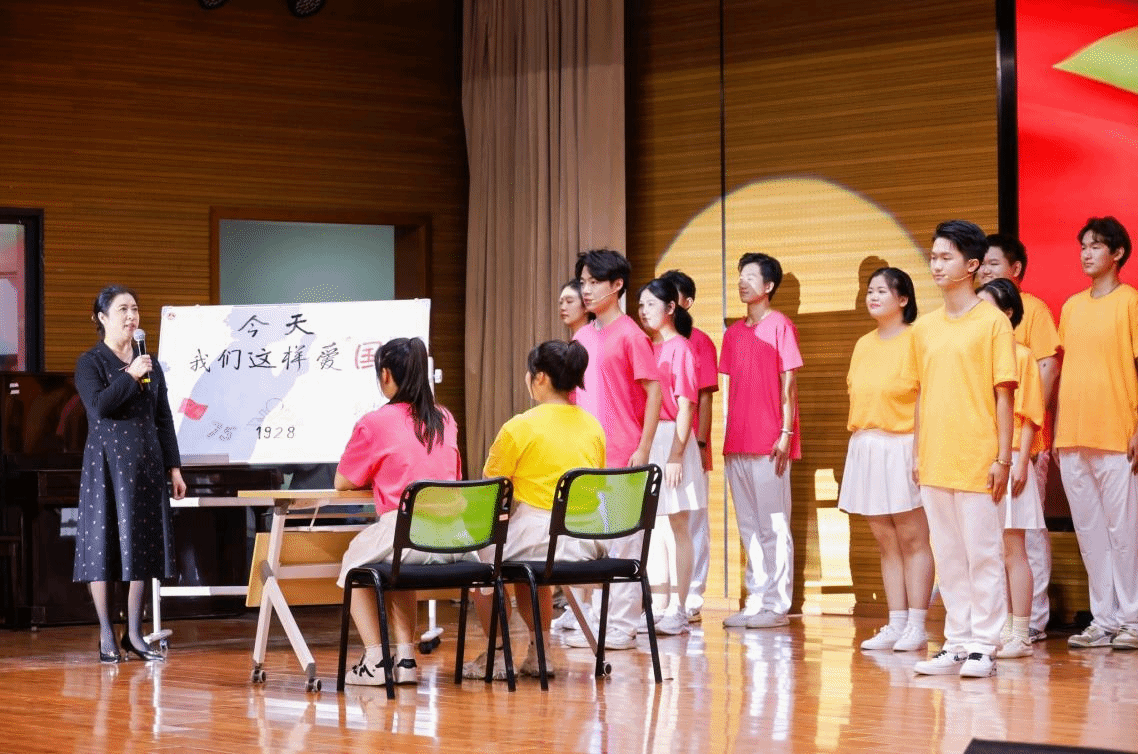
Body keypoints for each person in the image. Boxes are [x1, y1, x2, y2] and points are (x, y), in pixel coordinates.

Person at [905, 220, 1017, 678]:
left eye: (945, 257)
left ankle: (984, 645)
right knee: (948, 555)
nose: (936, 264)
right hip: (935, 459)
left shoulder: (992, 322)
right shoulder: (925, 328)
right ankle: (956, 642)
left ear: (971, 265)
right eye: (933, 256)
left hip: (978, 459)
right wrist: (917, 453)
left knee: (983, 554)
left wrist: (1003, 458)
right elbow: (920, 395)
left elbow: (1004, 395)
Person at [463, 340, 607, 679]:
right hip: (586, 540)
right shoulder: (593, 426)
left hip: (538, 534)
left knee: (478, 560)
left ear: (539, 377)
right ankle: (539, 653)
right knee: (531, 566)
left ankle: (497, 655)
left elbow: (492, 488)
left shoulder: (520, 427)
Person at [335, 337, 463, 686]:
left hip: (405, 530)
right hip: (454, 536)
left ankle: (376, 660)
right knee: (397, 564)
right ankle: (405, 658)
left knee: (353, 566)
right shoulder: (445, 418)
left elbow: (343, 480)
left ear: (386, 375)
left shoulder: (375, 422)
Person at [73, 284, 187, 664]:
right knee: (102, 546)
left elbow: (163, 417)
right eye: (122, 309)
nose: (131, 316)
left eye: (135, 309)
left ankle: (134, 634)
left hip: (147, 465)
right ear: (102, 317)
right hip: (107, 467)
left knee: (142, 546)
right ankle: (107, 632)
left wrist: (174, 467)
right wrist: (131, 375)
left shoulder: (148, 361)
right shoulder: (90, 362)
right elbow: (99, 406)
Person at [563, 248, 662, 651]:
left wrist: (644, 446)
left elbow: (654, 392)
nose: (586, 290)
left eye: (594, 282)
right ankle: (589, 622)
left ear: (617, 285)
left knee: (624, 544)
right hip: (585, 456)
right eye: (583, 282)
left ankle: (622, 625)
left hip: (624, 452)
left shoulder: (632, 335)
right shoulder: (582, 336)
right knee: (585, 542)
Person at [1053, 216, 1138, 650]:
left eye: (1095, 246)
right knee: (1090, 534)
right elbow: (1067, 370)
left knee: (1124, 533)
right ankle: (1103, 621)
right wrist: (1057, 431)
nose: (1086, 253)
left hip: (1116, 434)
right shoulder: (1071, 307)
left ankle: (1132, 619)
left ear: (1117, 253)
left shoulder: (1131, 302)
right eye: (1082, 246)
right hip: (1073, 436)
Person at [838, 267, 933, 653]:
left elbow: (926, 398)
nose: (873, 297)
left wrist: (920, 451)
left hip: (904, 444)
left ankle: (918, 625)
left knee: (912, 537)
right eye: (870, 291)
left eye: (881, 291)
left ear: (903, 299)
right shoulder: (864, 343)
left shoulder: (917, 339)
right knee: (885, 539)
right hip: (867, 445)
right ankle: (896, 623)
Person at [978, 234, 1060, 643]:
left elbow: (1030, 409)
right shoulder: (981, 351)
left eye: (993, 263)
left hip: (1015, 457)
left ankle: (1027, 623)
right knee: (990, 546)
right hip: (985, 458)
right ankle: (998, 623)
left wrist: (1021, 457)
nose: (984, 270)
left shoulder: (1025, 344)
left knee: (1021, 541)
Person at [719, 253, 802, 629]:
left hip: (771, 442)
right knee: (749, 527)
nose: (742, 282)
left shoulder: (781, 325)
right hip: (737, 441)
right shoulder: (732, 333)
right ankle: (755, 599)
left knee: (774, 525)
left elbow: (789, 384)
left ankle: (777, 604)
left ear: (768, 286)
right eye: (741, 276)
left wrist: (786, 433)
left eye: (751, 276)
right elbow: (730, 388)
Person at [636, 278, 706, 636]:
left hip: (673, 438)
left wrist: (677, 454)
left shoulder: (681, 348)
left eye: (650, 304)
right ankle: (659, 605)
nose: (643, 310)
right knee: (656, 526)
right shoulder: (647, 348)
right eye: (641, 305)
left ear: (670, 308)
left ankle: (679, 607)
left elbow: (687, 404)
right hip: (651, 439)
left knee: (678, 524)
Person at [660, 268, 719, 623]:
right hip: (664, 444)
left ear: (686, 302)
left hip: (690, 443)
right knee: (665, 525)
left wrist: (700, 441)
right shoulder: (654, 342)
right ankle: (665, 596)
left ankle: (693, 595)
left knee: (693, 522)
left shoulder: (699, 341)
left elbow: (704, 398)